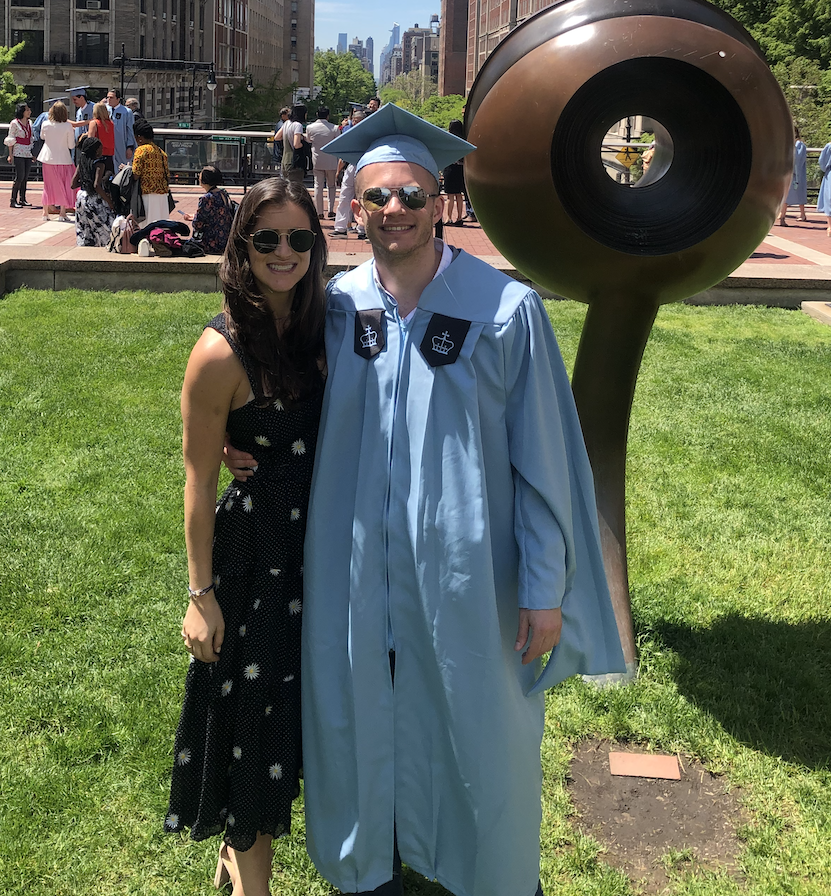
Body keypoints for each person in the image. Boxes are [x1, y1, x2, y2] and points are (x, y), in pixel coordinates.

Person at [225, 104, 625, 896]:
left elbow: (545, 460)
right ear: (354, 206)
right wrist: (241, 445)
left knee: (479, 726)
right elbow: (267, 380)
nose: (393, 211)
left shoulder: (505, 311)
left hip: (471, 576)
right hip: (355, 571)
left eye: (409, 195)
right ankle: (371, 859)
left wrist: (544, 588)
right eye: (376, 198)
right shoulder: (333, 307)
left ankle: (480, 869)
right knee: (358, 714)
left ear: (440, 199)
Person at [164, 177, 328, 896]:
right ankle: (251, 881)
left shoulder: (327, 327)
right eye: (267, 240)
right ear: (242, 247)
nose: (284, 252)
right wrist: (200, 595)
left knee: (303, 713)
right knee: (251, 719)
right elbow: (198, 479)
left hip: (321, 551)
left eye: (299, 238)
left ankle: (239, 856)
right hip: (254, 557)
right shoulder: (219, 351)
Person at [70, 134, 115, 246]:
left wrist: (85, 182)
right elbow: (96, 185)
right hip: (95, 199)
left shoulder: (82, 164)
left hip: (81, 198)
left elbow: (73, 184)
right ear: (95, 151)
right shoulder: (100, 164)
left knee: (85, 229)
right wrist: (109, 202)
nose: (102, 151)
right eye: (100, 149)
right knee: (105, 228)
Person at [37, 101, 77, 222]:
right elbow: (71, 145)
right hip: (64, 159)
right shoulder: (67, 126)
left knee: (47, 186)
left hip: (48, 158)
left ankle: (45, 212)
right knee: (64, 185)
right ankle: (62, 213)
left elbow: (42, 137)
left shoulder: (45, 124)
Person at [182, 164, 234, 254]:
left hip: (212, 242)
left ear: (205, 180)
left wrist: (193, 218)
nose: (199, 175)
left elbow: (198, 224)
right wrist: (194, 216)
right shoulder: (222, 193)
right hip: (224, 239)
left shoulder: (207, 198)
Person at [332, 109, 366, 238]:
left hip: (364, 166)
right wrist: (339, 170)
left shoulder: (369, 134)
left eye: (359, 121)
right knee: (344, 196)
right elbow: (343, 153)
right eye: (355, 121)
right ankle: (340, 228)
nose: (356, 123)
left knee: (362, 197)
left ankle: (362, 229)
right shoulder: (348, 132)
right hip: (351, 165)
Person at [131, 121, 172, 221]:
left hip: (147, 194)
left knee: (147, 227)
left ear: (139, 137)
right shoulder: (161, 152)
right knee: (161, 227)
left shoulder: (141, 150)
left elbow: (135, 174)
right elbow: (167, 174)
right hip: (162, 195)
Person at [306, 106, 339, 219]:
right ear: (328, 116)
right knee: (331, 186)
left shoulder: (310, 128)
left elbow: (309, 140)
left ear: (317, 114)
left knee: (318, 186)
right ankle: (330, 210)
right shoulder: (334, 128)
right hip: (331, 160)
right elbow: (337, 142)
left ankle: (319, 212)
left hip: (317, 160)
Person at [777, 125, 808, 227]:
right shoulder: (786, 143)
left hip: (795, 174)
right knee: (786, 195)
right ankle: (784, 216)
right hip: (786, 173)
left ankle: (783, 216)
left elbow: (798, 159)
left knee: (789, 195)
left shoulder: (799, 145)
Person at [6, 102, 36, 209]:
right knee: (20, 176)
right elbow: (11, 138)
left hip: (28, 152)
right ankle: (13, 200)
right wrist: (10, 154)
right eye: (27, 110)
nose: (29, 112)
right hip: (18, 151)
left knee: (26, 176)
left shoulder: (30, 123)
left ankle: (23, 199)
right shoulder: (14, 123)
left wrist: (33, 153)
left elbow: (31, 137)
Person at [440, 119, 467, 229]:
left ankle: (448, 218)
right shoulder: (464, 140)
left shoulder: (449, 139)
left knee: (450, 195)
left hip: (450, 168)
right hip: (461, 168)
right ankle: (459, 218)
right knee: (459, 194)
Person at [107, 88, 137, 175]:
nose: (109, 99)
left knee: (122, 168)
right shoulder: (105, 110)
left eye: (111, 97)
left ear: (118, 99)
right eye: (108, 97)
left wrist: (130, 147)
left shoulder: (127, 112)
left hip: (121, 145)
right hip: (109, 145)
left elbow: (130, 130)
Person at [87, 102, 115, 173]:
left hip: (97, 155)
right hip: (109, 155)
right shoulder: (111, 123)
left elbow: (90, 140)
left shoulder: (94, 123)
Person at [281, 108, 305, 185]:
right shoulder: (298, 125)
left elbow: (277, 137)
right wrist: (303, 143)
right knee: (295, 187)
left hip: (284, 160)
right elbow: (296, 144)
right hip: (294, 161)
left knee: (286, 186)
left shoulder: (286, 123)